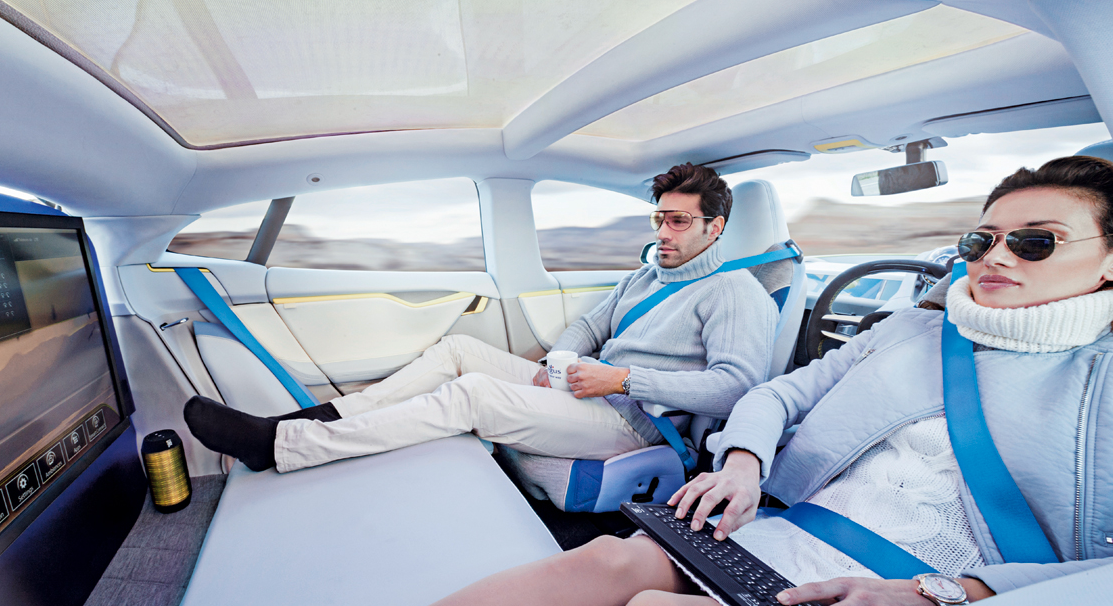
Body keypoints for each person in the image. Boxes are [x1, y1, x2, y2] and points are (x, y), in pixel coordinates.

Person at [0, 156, 1113, 606]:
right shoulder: (916, 325)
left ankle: (292, 469)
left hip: (910, 577)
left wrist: (956, 593)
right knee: (606, 557)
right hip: (783, 520)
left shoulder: (738, 292)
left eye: (1035, 241)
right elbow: (776, 401)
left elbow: (736, 379)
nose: (994, 257)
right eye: (982, 236)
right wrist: (741, 465)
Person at [182, 163, 780, 474]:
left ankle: (285, 447)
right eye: (659, 219)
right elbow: (590, 329)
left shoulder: (735, 292)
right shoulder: (644, 277)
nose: (663, 232)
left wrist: (621, 379)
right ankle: (308, 419)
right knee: (458, 350)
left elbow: (737, 388)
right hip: (590, 389)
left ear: (715, 228)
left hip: (638, 423)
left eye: (679, 221)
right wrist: (562, 358)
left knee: (472, 395)